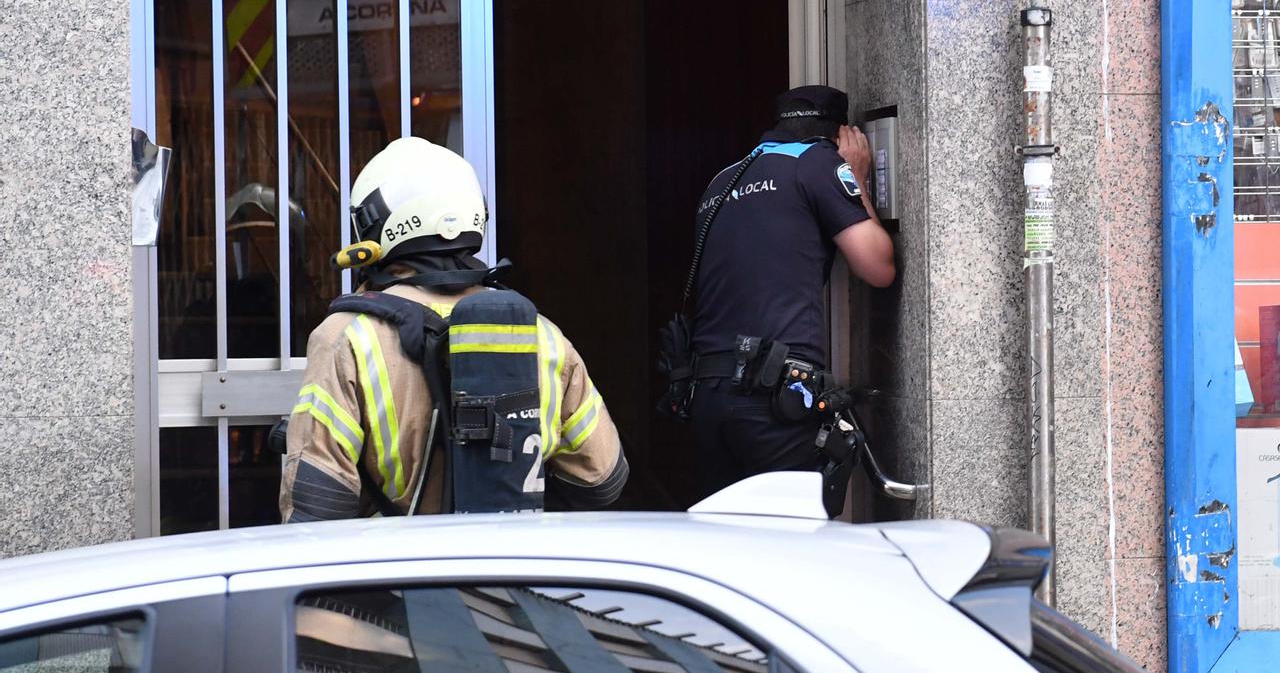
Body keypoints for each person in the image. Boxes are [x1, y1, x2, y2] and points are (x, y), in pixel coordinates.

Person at [280, 138, 627, 520]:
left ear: (374, 227)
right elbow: (602, 478)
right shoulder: (539, 334)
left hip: (401, 573)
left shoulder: (348, 337)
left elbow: (315, 507)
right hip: (517, 571)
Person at [683, 84, 896, 511]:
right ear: (836, 137)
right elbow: (879, 267)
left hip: (705, 396)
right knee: (791, 551)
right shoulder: (817, 162)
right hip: (771, 400)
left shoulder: (722, 180)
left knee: (723, 548)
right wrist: (854, 180)